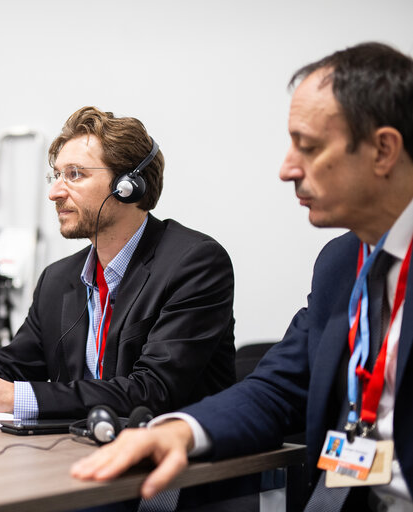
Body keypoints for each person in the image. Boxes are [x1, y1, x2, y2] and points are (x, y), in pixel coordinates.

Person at [71, 42, 413, 511]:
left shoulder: (191, 259)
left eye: (308, 147)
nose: (286, 168)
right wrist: (178, 431)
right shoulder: (341, 263)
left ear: (383, 151)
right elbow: (277, 388)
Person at [0, 106, 236, 419]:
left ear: (128, 186)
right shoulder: (58, 279)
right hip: (74, 455)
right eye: (56, 175)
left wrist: (8, 396)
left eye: (75, 175)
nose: (54, 192)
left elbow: (153, 391)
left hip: (173, 468)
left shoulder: (194, 263)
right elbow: (9, 372)